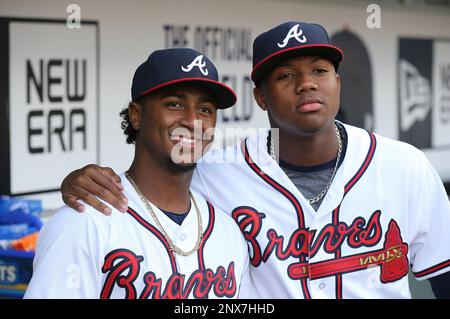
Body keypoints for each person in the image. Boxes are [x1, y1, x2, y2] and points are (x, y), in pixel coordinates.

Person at [59, 22, 450, 299]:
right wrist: (79, 181)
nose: (307, 83)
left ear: (338, 82)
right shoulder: (215, 168)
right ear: (260, 98)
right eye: (285, 75)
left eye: (320, 70)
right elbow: (153, 171)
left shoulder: (405, 166)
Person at [24, 48, 250, 299]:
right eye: (174, 104)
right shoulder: (84, 222)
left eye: (205, 109)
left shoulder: (228, 232)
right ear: (136, 115)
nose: (192, 120)